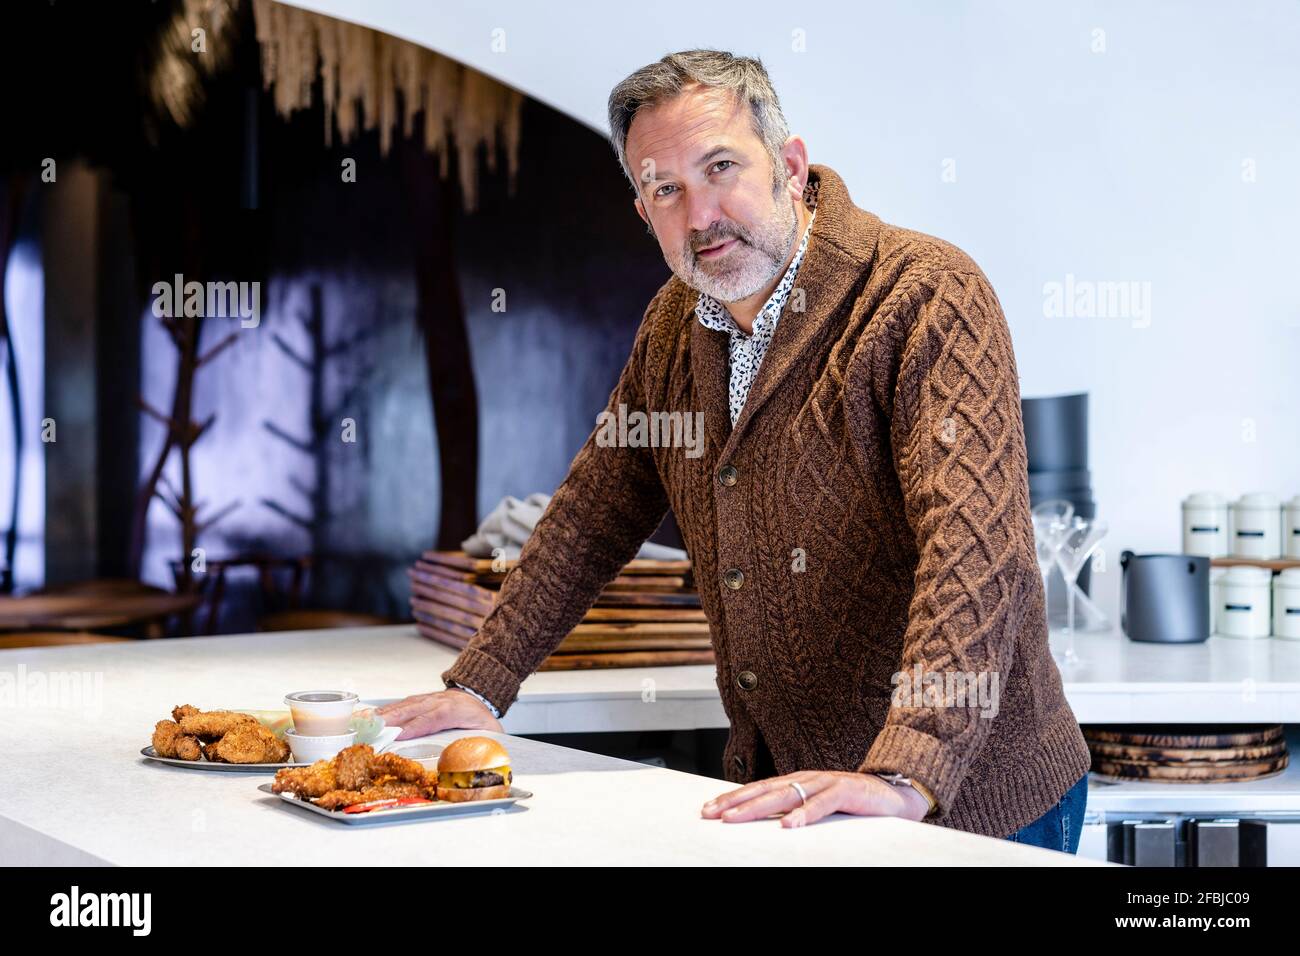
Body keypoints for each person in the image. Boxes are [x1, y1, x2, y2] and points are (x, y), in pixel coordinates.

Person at [379, 49, 1091, 851]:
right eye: (666, 189)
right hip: (788, 800)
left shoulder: (926, 296)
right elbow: (590, 516)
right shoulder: (672, 328)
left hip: (972, 806)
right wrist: (482, 682)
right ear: (643, 212)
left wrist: (907, 770)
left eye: (721, 167)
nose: (701, 215)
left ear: (789, 164)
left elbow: (974, 552)